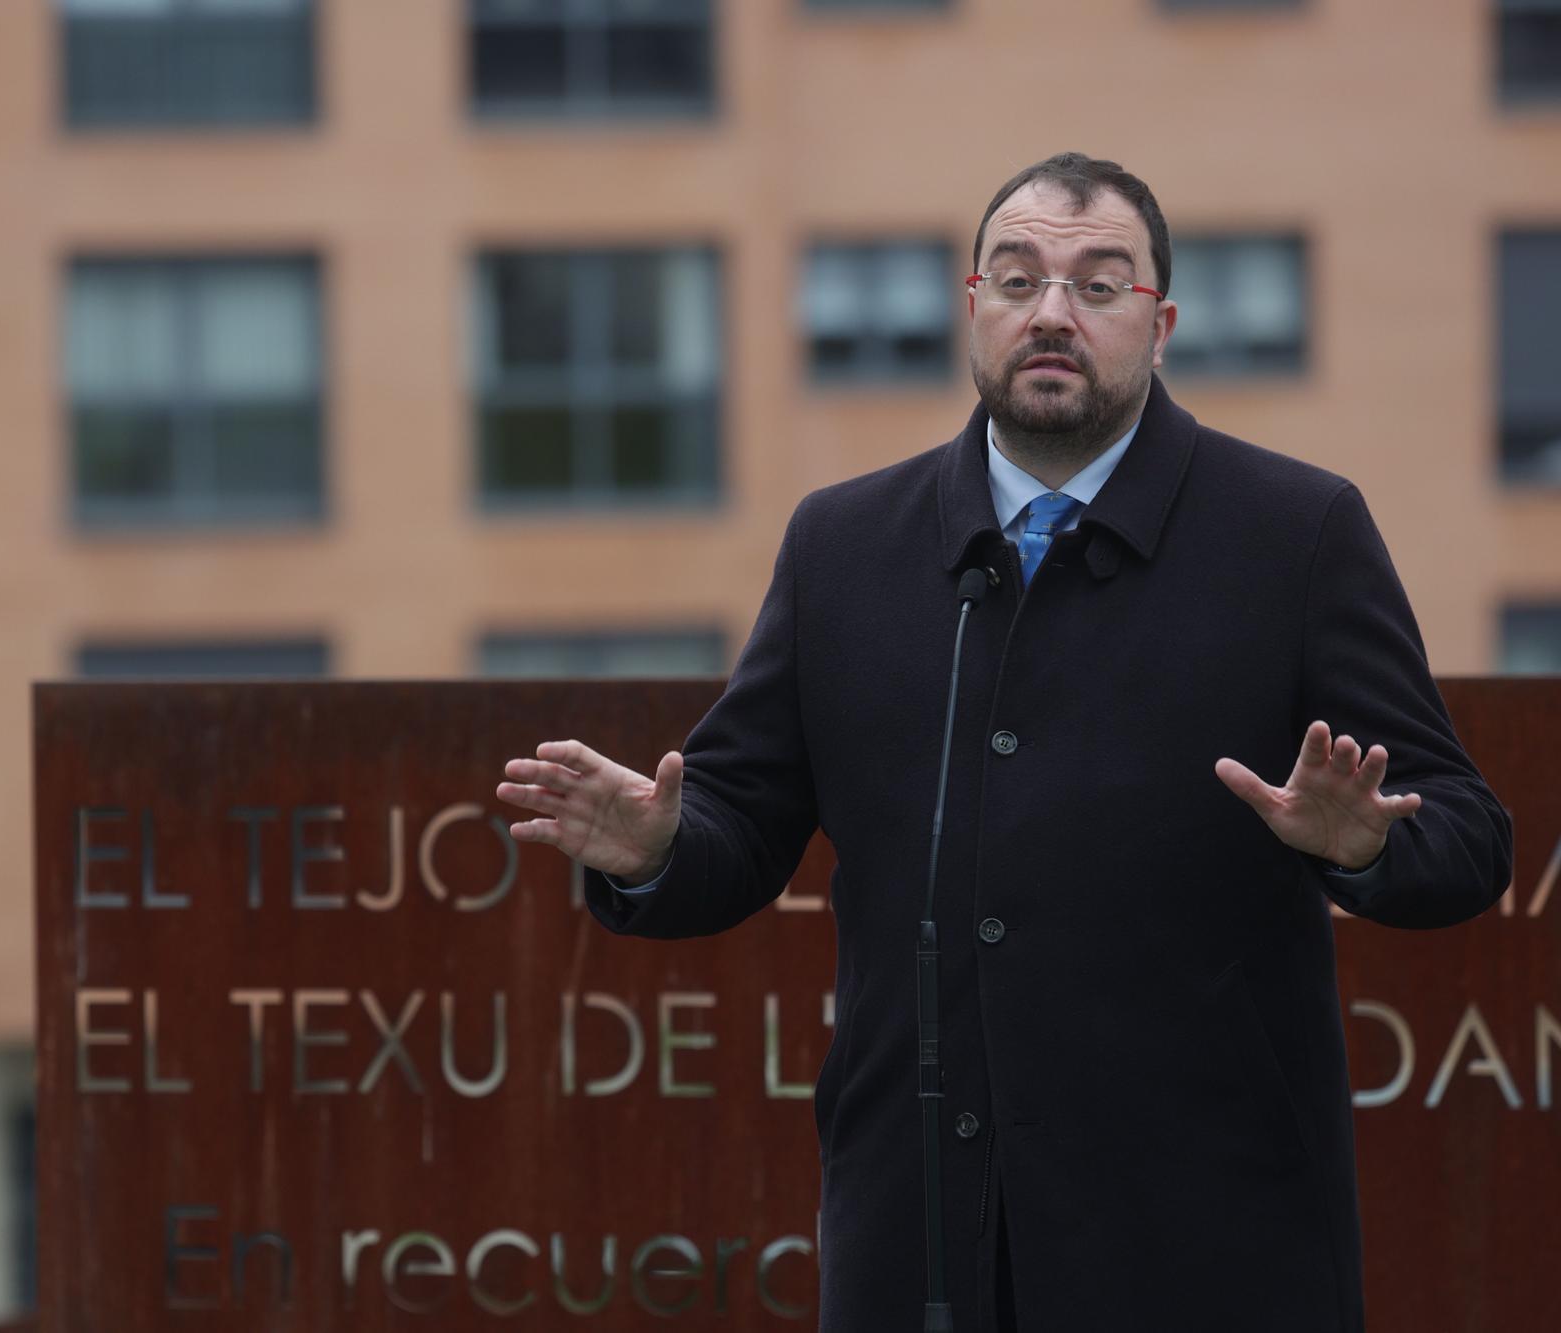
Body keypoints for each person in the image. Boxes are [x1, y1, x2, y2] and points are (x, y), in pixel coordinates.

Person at [496, 152, 1512, 1333]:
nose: (1051, 313)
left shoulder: (1293, 532)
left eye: (1097, 285)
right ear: (970, 303)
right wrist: (656, 846)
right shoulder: (842, 546)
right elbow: (736, 828)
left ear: (1160, 322)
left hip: (1206, 1246)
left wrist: (1365, 848)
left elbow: (1467, 834)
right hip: (921, 1232)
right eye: (1019, 278)